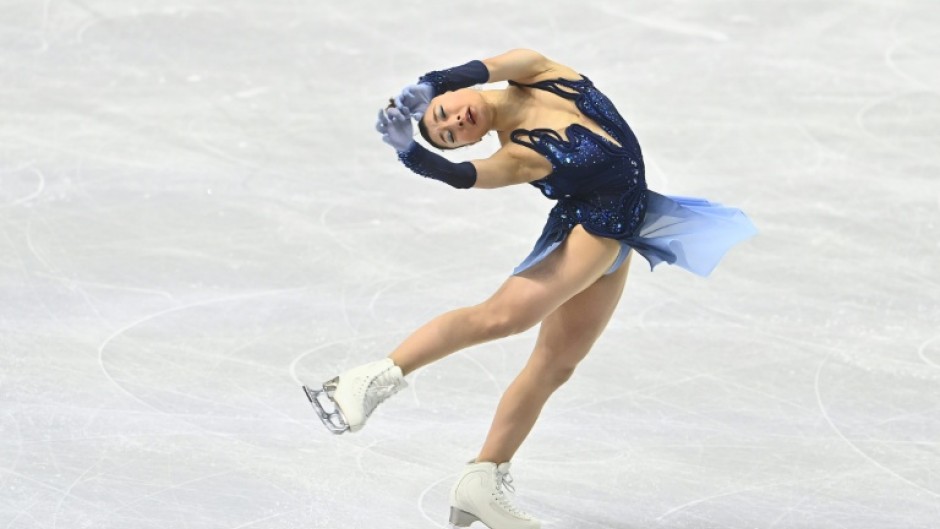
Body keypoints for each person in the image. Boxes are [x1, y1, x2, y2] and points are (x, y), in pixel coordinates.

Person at [303, 49, 757, 529]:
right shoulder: (518, 155)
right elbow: (465, 176)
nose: (457, 120)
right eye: (452, 135)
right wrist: (411, 153)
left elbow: (491, 67)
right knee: (504, 316)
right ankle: (367, 381)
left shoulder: (540, 72)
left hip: (624, 232)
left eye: (445, 113)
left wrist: (429, 85)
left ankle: (482, 481)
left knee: (556, 365)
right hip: (592, 233)